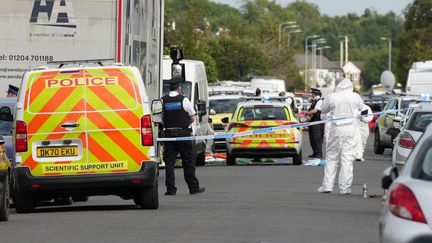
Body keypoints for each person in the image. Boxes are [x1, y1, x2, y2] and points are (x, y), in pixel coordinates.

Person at [318, 78, 364, 195]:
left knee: (332, 157)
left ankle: (327, 186)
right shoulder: (356, 96)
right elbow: (362, 109)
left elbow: (323, 110)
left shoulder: (332, 96)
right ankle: (345, 188)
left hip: (336, 128)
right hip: (351, 128)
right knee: (347, 159)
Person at [161, 77, 205, 196]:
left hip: (168, 136)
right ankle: (193, 187)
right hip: (184, 135)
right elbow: (192, 116)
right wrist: (184, 124)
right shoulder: (184, 100)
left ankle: (170, 189)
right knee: (188, 162)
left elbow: (160, 118)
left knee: (169, 163)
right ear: (179, 88)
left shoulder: (163, 100)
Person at [306, 88, 324, 158]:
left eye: (312, 93)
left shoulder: (319, 101)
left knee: (317, 138)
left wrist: (307, 113)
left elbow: (315, 111)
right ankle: (315, 152)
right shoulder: (314, 101)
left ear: (315, 93)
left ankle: (319, 153)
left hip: (317, 122)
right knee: (312, 138)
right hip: (312, 121)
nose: (311, 94)